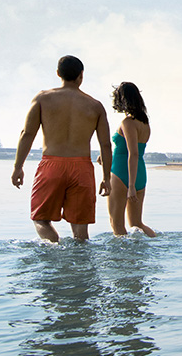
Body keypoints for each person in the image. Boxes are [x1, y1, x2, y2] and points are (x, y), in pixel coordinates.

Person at [12, 55, 112, 242]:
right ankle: (79, 267)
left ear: (58, 74)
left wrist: (18, 167)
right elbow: (105, 145)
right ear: (82, 75)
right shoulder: (95, 106)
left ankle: (53, 251)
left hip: (52, 165)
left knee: (41, 219)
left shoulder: (43, 99)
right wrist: (106, 178)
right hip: (82, 168)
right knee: (80, 231)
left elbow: (27, 133)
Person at [108, 81, 156, 237]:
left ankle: (122, 260)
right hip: (140, 172)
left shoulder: (128, 123)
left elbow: (132, 153)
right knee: (137, 224)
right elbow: (134, 152)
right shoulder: (145, 124)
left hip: (123, 173)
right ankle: (155, 243)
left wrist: (131, 185)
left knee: (116, 224)